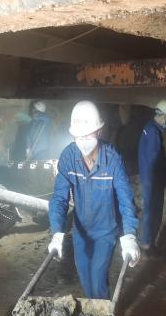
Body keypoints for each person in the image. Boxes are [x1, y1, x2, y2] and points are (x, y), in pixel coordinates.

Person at [49, 101, 140, 299]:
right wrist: (57, 232)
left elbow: (125, 198)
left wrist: (129, 235)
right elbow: (59, 198)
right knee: (85, 277)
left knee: (98, 277)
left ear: (99, 131)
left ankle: (103, 314)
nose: (83, 141)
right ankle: (94, 310)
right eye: (78, 136)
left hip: (105, 231)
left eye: (88, 135)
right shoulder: (68, 157)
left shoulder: (112, 159)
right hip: (81, 231)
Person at [138, 100, 166, 252]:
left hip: (149, 177)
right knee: (152, 211)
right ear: (163, 116)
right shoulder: (153, 132)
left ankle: (148, 243)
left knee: (150, 210)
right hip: (152, 179)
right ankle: (147, 245)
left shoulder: (150, 128)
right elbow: (155, 161)